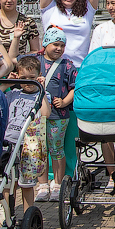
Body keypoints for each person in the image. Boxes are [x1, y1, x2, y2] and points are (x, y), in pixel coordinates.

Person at [3, 55, 50, 217]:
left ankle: (27, 216)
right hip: (9, 143)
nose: (28, 82)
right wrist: (6, 83)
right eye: (23, 78)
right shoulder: (13, 93)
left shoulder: (41, 95)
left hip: (29, 145)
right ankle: (7, 215)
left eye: (32, 78)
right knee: (8, 183)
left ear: (38, 76)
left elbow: (45, 113)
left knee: (27, 183)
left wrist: (42, 89)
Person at [38, 26, 77, 201]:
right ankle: (42, 184)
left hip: (59, 115)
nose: (59, 48)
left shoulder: (67, 65)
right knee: (40, 149)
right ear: (45, 43)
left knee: (56, 149)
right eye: (55, 44)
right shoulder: (35, 61)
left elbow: (74, 88)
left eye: (62, 45)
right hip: (37, 115)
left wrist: (65, 102)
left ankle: (58, 183)